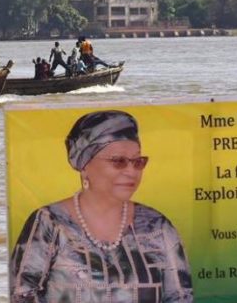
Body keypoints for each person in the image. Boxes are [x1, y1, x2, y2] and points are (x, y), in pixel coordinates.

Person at [10, 110, 193, 303]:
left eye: (138, 161)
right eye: (118, 161)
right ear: (85, 165)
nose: (131, 171)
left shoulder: (158, 226)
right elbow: (21, 295)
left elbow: (181, 297)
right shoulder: (50, 222)